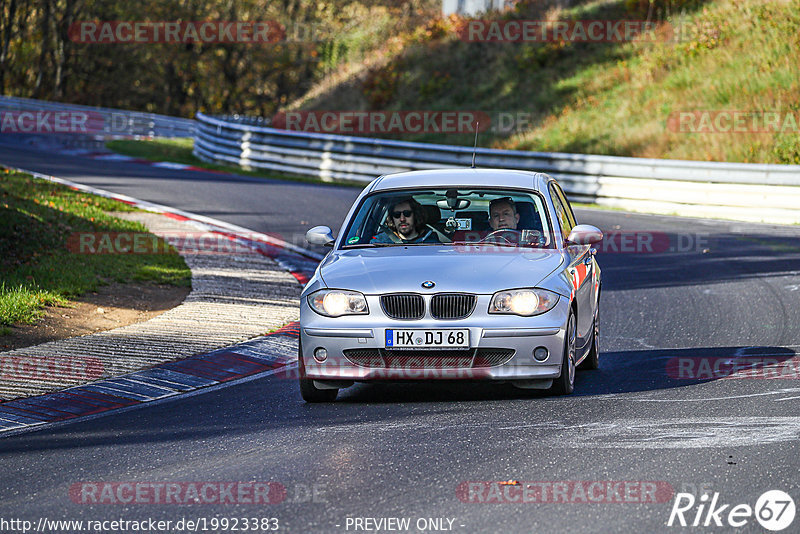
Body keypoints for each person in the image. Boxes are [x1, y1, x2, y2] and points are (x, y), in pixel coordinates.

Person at [371, 198, 438, 244]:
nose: (402, 219)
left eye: (407, 214)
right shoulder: (380, 242)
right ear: (392, 218)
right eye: (397, 214)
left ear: (415, 215)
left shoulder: (432, 242)